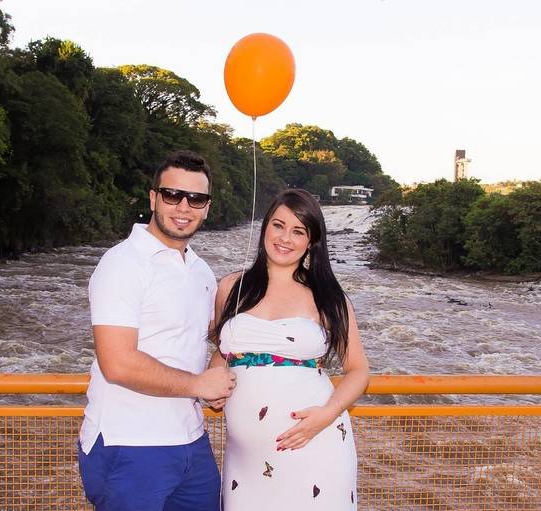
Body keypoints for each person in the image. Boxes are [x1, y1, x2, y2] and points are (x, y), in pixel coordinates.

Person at [79, 150, 236, 511]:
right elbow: (117, 363)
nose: (183, 206)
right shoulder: (122, 264)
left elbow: (212, 339)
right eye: (172, 195)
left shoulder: (201, 271)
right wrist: (198, 385)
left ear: (207, 207)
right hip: (129, 442)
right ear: (153, 198)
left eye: (196, 198)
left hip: (191, 439)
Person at [209, 189, 369, 510]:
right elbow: (223, 351)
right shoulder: (230, 287)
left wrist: (326, 415)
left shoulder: (327, 296)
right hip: (246, 458)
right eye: (278, 225)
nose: (285, 238)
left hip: (314, 442)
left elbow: (358, 370)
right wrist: (214, 378)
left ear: (311, 242)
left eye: (298, 231)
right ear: (265, 227)